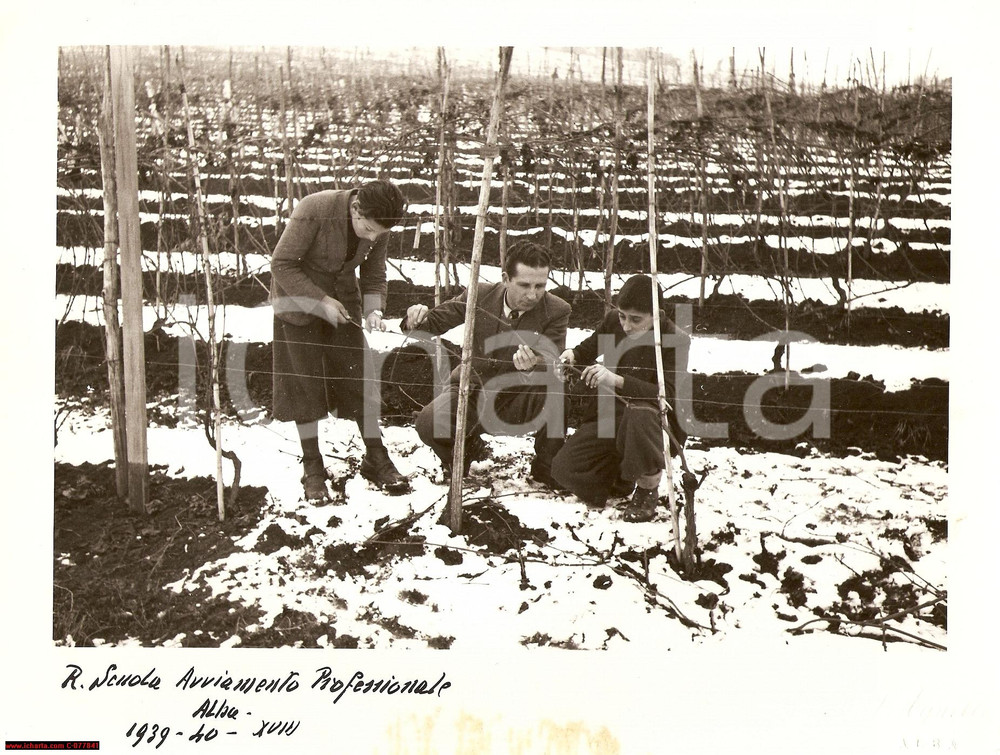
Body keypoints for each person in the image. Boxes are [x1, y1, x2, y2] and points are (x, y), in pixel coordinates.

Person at [270, 179, 410, 502]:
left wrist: (374, 309)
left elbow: (374, 270)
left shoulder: (378, 223)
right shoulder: (314, 209)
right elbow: (281, 264)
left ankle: (376, 457)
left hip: (344, 302)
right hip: (297, 302)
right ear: (356, 208)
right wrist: (319, 301)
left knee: (359, 377)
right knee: (303, 383)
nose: (373, 238)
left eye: (379, 233)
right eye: (369, 230)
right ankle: (313, 466)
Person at [402, 241, 571, 485]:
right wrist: (416, 319)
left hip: (518, 397)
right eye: (524, 285)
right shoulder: (480, 295)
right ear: (505, 278)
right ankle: (464, 452)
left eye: (540, 286)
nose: (533, 294)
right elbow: (434, 322)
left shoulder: (557, 309)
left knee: (558, 390)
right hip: (470, 392)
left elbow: (552, 356)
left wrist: (535, 362)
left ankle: (546, 467)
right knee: (428, 423)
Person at [551, 274, 689, 521]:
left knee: (639, 414)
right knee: (563, 469)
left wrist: (615, 380)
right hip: (611, 416)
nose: (626, 325)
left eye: (636, 319)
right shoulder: (613, 321)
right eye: (623, 316)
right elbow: (588, 348)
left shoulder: (675, 339)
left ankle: (647, 488)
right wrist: (572, 355)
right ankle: (621, 477)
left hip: (651, 423)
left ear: (657, 315)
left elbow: (665, 395)